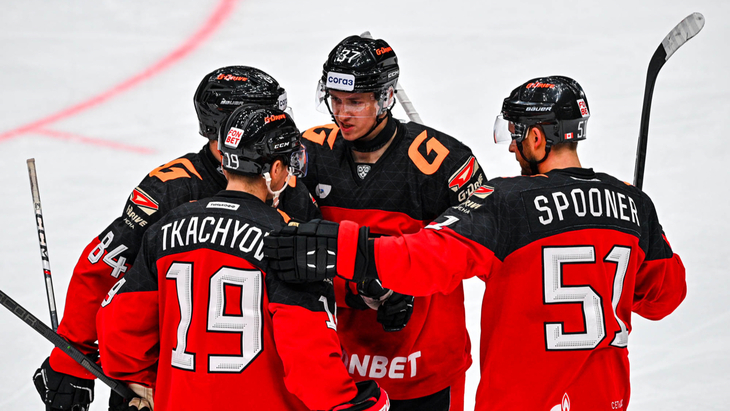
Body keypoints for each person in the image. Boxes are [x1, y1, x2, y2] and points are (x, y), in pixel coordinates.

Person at [264, 76, 687, 410]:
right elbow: (665, 298)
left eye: (516, 135)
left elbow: (424, 258)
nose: (513, 148)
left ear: (537, 138)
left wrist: (340, 247)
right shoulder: (632, 204)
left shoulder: (507, 201)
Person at [32, 66, 318, 411]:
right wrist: (70, 357)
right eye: (265, 115)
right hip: (160, 382)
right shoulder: (172, 188)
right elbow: (106, 267)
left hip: (253, 380)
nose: (278, 124)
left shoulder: (286, 182)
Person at [96, 104, 389, 411]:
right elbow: (308, 359)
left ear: (226, 163)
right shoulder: (288, 243)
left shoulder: (166, 229)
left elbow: (118, 328)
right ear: (275, 170)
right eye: (289, 165)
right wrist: (349, 402)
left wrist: (142, 383)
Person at [283, 34, 486, 410]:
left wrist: (409, 282)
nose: (342, 114)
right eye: (335, 100)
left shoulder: (444, 162)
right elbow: (288, 249)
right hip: (342, 371)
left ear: (387, 97)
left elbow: (475, 253)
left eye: (355, 102)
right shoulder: (310, 155)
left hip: (426, 367)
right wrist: (355, 288)